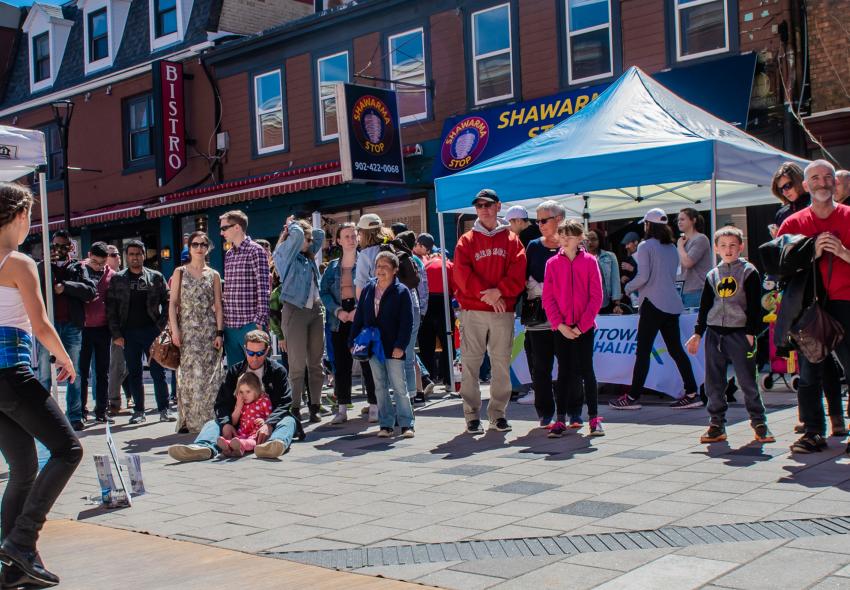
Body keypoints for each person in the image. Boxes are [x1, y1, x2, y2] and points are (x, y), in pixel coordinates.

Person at [0, 182, 83, 588]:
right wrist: (63, 357)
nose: (29, 225)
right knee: (68, 449)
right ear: (18, 217)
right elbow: (40, 323)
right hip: (10, 375)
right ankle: (21, 541)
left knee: (23, 468)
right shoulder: (18, 262)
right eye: (28, 217)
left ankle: (15, 567)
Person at [776, 160, 850, 454]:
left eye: (827, 177)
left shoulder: (848, 216)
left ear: (836, 183)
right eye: (815, 178)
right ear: (805, 185)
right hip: (809, 306)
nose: (822, 182)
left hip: (846, 300)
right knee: (810, 371)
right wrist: (810, 252)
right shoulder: (792, 223)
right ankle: (813, 432)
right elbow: (778, 267)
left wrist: (844, 252)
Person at [686, 226, 774, 444]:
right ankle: (716, 423)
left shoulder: (748, 272)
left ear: (741, 246)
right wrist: (698, 334)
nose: (728, 250)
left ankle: (759, 422)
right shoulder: (712, 275)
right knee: (714, 381)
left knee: (747, 380)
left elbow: (755, 305)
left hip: (740, 333)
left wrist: (752, 333)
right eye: (723, 246)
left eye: (733, 245)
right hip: (715, 333)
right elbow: (705, 306)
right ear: (716, 249)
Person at [610, 208, 700, 410]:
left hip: (652, 304)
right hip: (672, 304)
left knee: (642, 351)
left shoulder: (645, 246)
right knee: (676, 350)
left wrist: (627, 287)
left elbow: (643, 277)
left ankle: (632, 397)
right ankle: (692, 392)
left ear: (648, 225)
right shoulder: (670, 247)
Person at [454, 189, 526, 434]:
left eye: (488, 204)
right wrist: (490, 293)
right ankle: (472, 416)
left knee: (501, 365)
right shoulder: (466, 240)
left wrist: (500, 292)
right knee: (471, 365)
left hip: (502, 311)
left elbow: (518, 271)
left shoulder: (512, 239)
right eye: (479, 205)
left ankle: (498, 414)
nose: (484, 208)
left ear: (498, 206)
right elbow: (462, 275)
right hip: (473, 310)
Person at [168, 330, 301, 461]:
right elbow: (221, 403)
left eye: (260, 353)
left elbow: (285, 402)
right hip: (240, 424)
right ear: (245, 349)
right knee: (211, 423)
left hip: (268, 422)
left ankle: (273, 445)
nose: (255, 357)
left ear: (267, 351)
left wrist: (269, 424)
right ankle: (203, 447)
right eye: (250, 353)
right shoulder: (234, 371)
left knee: (289, 421)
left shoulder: (277, 371)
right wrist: (226, 424)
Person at [543, 219, 604, 437]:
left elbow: (596, 297)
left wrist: (582, 325)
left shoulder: (590, 261)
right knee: (563, 372)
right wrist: (559, 325)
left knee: (587, 371)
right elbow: (548, 297)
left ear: (580, 237)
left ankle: (594, 418)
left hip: (584, 327)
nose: (566, 238)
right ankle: (560, 419)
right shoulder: (552, 263)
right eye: (563, 234)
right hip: (561, 328)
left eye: (571, 234)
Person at [106, 240, 174, 424]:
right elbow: (111, 309)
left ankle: (164, 409)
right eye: (131, 254)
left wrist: (161, 326)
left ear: (144, 255)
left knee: (158, 372)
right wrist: (116, 334)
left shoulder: (156, 277)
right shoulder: (118, 279)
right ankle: (139, 411)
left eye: (138, 254)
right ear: (126, 256)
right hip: (128, 333)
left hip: (152, 332)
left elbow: (169, 301)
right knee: (134, 373)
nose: (135, 257)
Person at [349, 251, 416, 438]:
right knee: (379, 386)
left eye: (385, 267)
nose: (381, 270)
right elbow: (360, 316)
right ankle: (386, 424)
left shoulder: (402, 291)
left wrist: (401, 345)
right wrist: (352, 340)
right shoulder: (369, 289)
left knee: (399, 386)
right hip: (373, 346)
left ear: (395, 270)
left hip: (393, 346)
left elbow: (407, 322)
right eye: (378, 266)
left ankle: (406, 424)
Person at [35, 230, 96, 431]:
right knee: (44, 372)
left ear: (70, 247)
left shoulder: (78, 267)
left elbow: (90, 292)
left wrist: (65, 286)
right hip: (48, 326)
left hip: (71, 325)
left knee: (74, 372)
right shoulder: (42, 267)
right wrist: (47, 263)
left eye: (63, 246)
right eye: (55, 246)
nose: (59, 250)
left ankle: (75, 415)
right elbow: (35, 286)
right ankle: (45, 416)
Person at [169, 231, 224, 433]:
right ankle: (189, 421)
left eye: (203, 244)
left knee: (210, 377)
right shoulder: (179, 272)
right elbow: (173, 303)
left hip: (208, 330)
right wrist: (175, 331)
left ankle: (209, 420)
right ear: (189, 247)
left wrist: (219, 332)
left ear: (207, 248)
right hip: (187, 331)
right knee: (189, 377)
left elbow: (218, 306)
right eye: (195, 244)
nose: (199, 248)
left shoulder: (214, 275)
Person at [273, 216, 326, 423]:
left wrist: (307, 232)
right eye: (307, 239)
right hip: (294, 310)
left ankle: (315, 406)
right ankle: (294, 407)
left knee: (316, 363)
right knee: (296, 365)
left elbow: (319, 235)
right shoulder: (284, 255)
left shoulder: (308, 255)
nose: (312, 242)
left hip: (315, 310)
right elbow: (295, 236)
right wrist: (292, 227)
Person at [520, 201, 565, 420]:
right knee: (540, 369)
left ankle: (570, 412)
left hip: (565, 318)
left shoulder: (572, 245)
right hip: (539, 318)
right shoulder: (533, 246)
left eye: (543, 220)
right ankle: (545, 414)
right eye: (537, 220)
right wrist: (544, 288)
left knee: (569, 368)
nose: (539, 224)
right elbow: (525, 279)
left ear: (559, 219)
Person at [220, 210, 270, 366]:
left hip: (250, 324)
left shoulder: (256, 251)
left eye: (224, 228)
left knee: (257, 373)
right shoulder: (228, 255)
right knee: (236, 375)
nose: (221, 233)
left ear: (237, 227)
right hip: (230, 326)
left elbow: (264, 288)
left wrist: (259, 322)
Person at [320, 223, 358, 424]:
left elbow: (371, 285)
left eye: (354, 235)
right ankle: (342, 408)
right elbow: (323, 292)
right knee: (342, 364)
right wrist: (338, 310)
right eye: (347, 236)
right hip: (338, 317)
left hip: (360, 314)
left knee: (369, 362)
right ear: (338, 241)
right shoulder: (332, 267)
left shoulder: (366, 261)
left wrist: (358, 310)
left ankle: (375, 405)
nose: (351, 239)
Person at [354, 213, 390, 422]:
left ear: (364, 233)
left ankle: (376, 405)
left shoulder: (366, 254)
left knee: (371, 358)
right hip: (392, 309)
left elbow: (360, 289)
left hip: (372, 311)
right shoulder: (390, 248)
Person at [78, 242, 115, 425]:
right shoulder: (79, 270)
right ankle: (81, 410)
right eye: (94, 262)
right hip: (82, 328)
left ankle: (101, 410)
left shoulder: (111, 275)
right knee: (82, 371)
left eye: (101, 263)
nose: (97, 266)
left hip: (103, 328)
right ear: (89, 254)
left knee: (102, 371)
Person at [395, 230, 433, 403]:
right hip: (417, 308)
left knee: (408, 353)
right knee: (410, 352)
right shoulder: (415, 259)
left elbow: (421, 287)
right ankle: (419, 389)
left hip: (411, 308)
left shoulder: (408, 260)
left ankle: (414, 392)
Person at [415, 233, 455, 389]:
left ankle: (429, 378)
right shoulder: (448, 265)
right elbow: (455, 286)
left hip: (427, 304)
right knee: (447, 343)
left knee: (426, 344)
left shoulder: (423, 265)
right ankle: (449, 379)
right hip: (443, 302)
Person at [216, 372, 272, 457]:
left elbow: (271, 417)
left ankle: (238, 446)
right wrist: (238, 407)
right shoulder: (241, 403)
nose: (244, 395)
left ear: (256, 390)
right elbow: (234, 422)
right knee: (236, 440)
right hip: (242, 433)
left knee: (251, 442)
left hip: (255, 434)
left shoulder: (263, 401)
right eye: (241, 392)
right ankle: (227, 446)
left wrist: (264, 421)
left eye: (248, 391)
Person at [105, 245, 130, 413]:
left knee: (129, 366)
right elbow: (111, 307)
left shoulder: (123, 275)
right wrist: (115, 332)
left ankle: (129, 397)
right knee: (117, 365)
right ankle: (113, 402)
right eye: (113, 255)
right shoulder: (107, 277)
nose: (117, 257)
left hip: (132, 327)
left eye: (118, 254)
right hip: (115, 329)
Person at [676, 208, 712, 308]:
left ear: (693, 220)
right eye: (678, 220)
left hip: (696, 291)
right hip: (681, 290)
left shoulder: (700, 238)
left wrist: (679, 246)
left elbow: (688, 263)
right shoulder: (682, 241)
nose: (679, 222)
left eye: (682, 219)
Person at [770, 162, 811, 236]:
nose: (784, 192)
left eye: (787, 186)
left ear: (798, 181)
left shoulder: (816, 205)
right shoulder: (781, 214)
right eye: (781, 189)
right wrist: (778, 239)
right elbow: (781, 246)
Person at [586, 229, 621, 314]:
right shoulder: (580, 258)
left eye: (594, 239)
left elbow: (615, 279)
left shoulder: (609, 256)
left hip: (605, 301)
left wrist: (617, 303)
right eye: (587, 240)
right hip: (585, 303)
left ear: (600, 240)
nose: (590, 242)